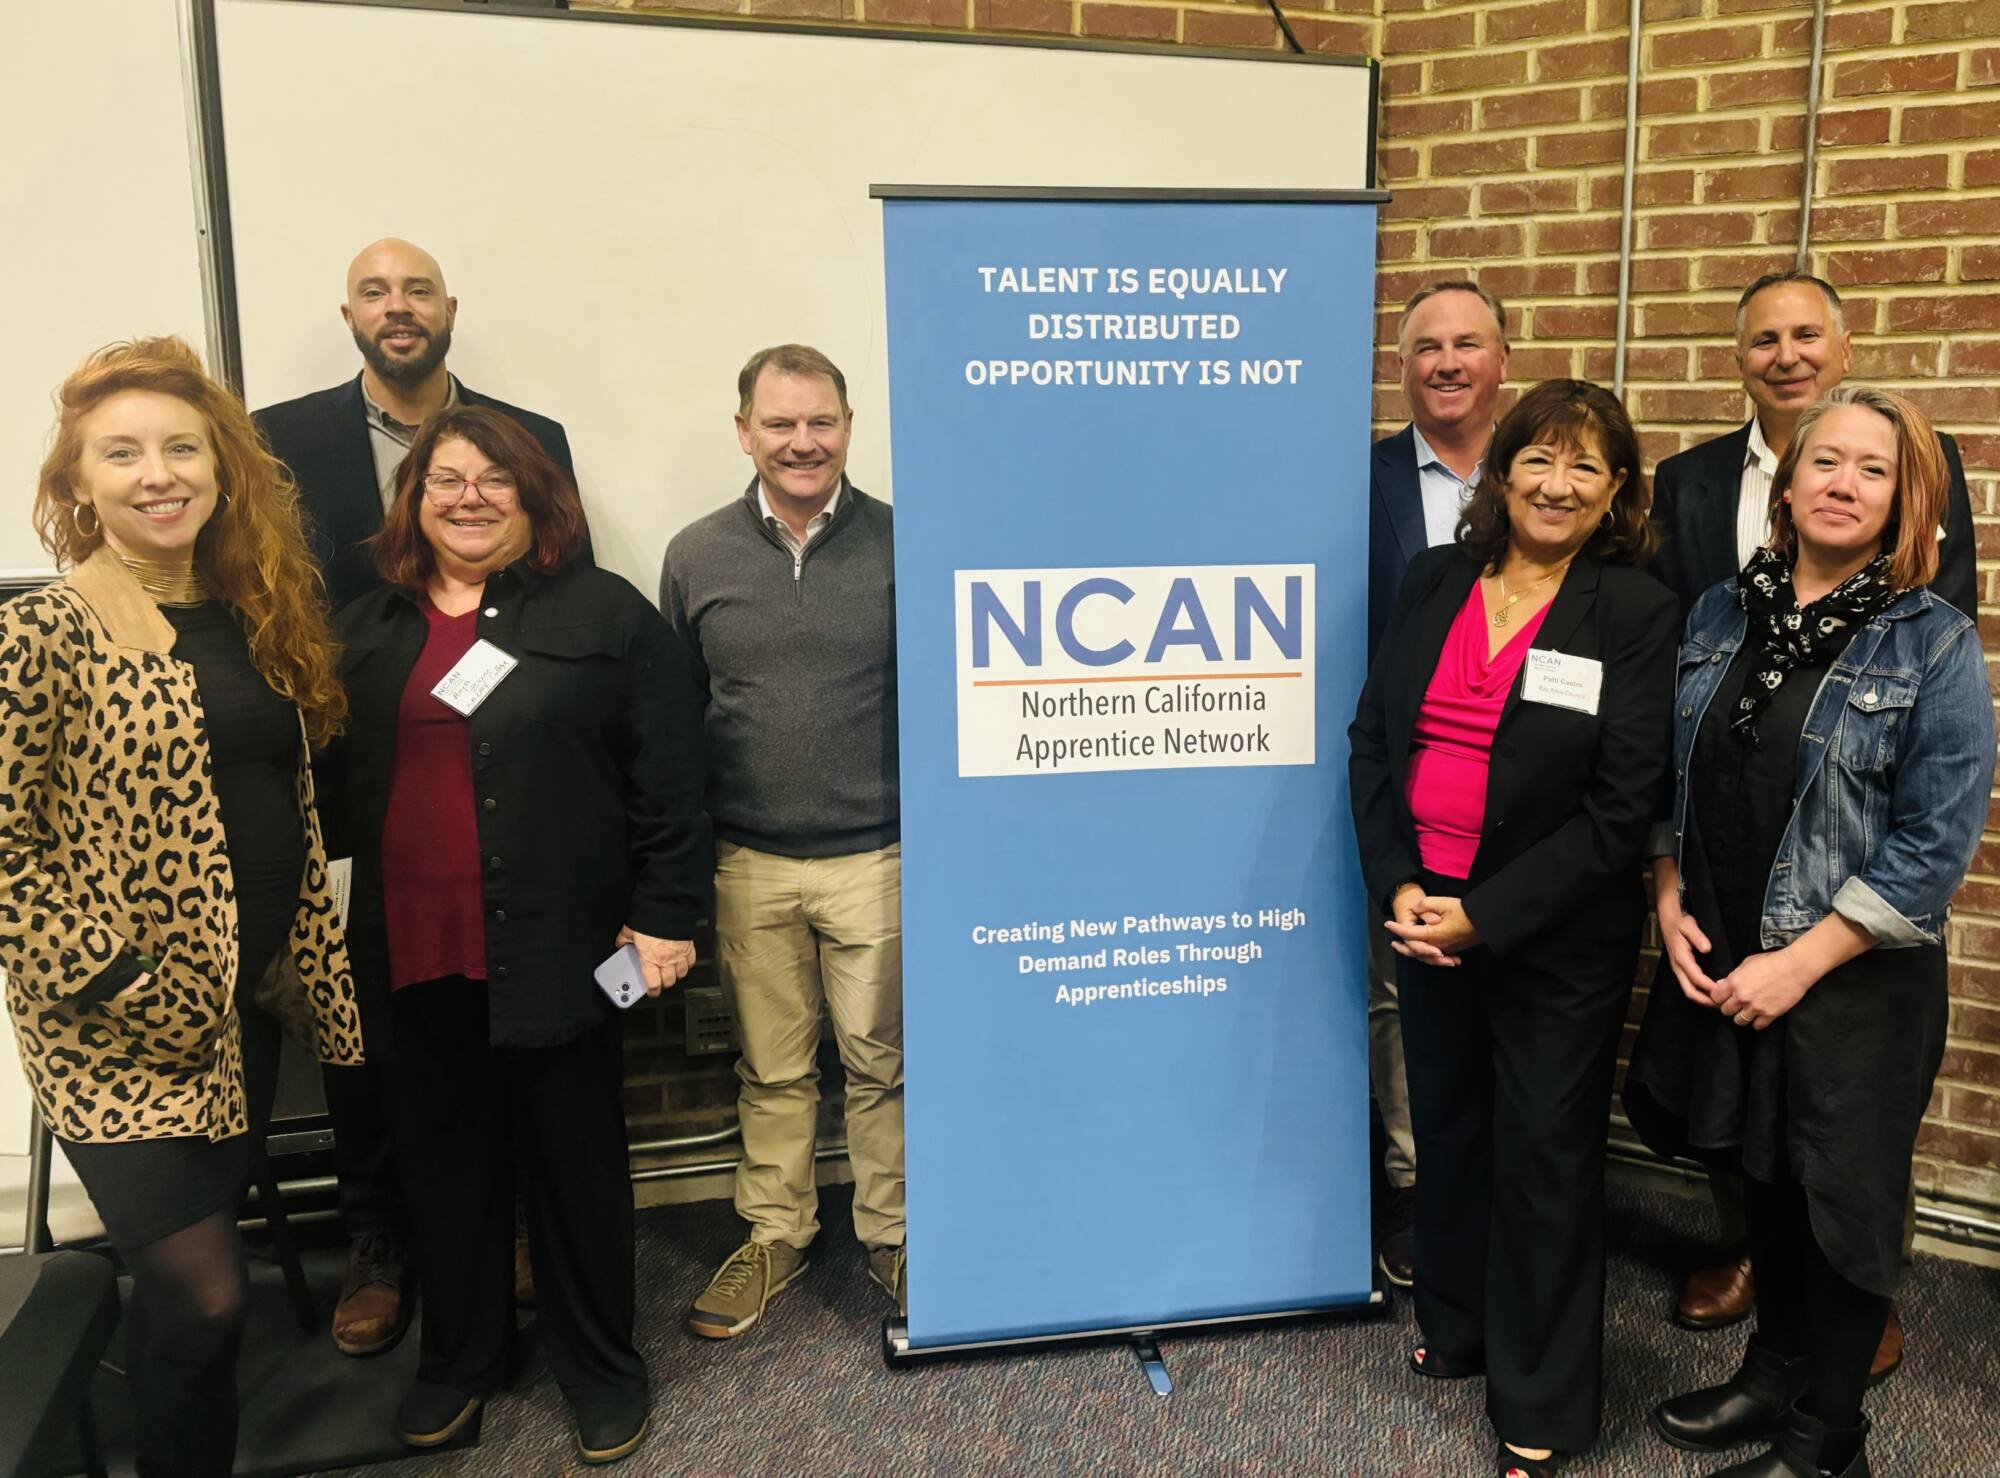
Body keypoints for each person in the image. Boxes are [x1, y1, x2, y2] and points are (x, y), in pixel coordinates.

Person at [0, 337, 363, 1477]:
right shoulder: (42, 632)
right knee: (207, 1296)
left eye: (181, 447)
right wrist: (125, 982)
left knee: (196, 1303)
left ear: (223, 468)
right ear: (78, 481)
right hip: (116, 1029)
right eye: (122, 453)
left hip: (240, 1008)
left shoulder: (255, 612)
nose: (157, 473)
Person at [319, 404, 708, 1464]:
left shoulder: (608, 614)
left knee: (575, 1164)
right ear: (414, 500)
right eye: (445, 478)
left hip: (567, 951)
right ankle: (460, 1357)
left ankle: (600, 1364)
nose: (469, 496)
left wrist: (667, 913)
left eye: (494, 477)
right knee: (443, 1166)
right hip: (409, 951)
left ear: (535, 495)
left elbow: (671, 777)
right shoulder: (364, 626)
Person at [1627, 387, 1993, 1478]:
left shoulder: (1930, 640)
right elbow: (1665, 771)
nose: (1839, 482)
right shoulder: (1713, 614)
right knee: (1762, 1177)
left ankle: (1831, 1435)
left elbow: (1934, 842)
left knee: (1840, 1202)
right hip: (1729, 950)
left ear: (1900, 498)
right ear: (1784, 485)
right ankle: (1772, 1373)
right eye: (1821, 460)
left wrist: (1797, 961)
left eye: (1868, 469)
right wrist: (1662, 888)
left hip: (1848, 976)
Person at [254, 236, 582, 1355]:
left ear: (450, 308)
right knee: (372, 1037)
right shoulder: (277, 440)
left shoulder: (526, 438)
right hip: (358, 775)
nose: (398, 309)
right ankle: (380, 1238)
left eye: (418, 290)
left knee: (507, 1025)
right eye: (375, 291)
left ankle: (520, 1230)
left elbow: (559, 582)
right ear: (346, 310)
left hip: (505, 783)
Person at [1349, 379, 1678, 1477]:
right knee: (1445, 1125)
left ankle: (1541, 1400)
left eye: (1585, 465)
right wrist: (1398, 881)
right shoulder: (1437, 576)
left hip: (1550, 938)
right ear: (1500, 470)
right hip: (1423, 913)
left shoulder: (1630, 608)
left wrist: (1481, 916)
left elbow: (1619, 806)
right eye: (1537, 457)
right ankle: (1457, 1323)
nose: (1555, 481)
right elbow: (1372, 742)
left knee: (1541, 1158)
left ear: (1615, 490)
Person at [660, 344, 905, 1339]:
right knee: (769, 1065)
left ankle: (895, 1233)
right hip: (747, 857)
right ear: (743, 431)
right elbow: (676, 715)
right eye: (779, 423)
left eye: (821, 421)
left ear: (847, 425)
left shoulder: (905, 540)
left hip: (876, 853)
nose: (802, 441)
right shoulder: (696, 553)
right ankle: (775, 1231)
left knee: (882, 1059)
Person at [1365, 277, 1511, 1287]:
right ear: (1401, 366)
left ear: (1501, 360)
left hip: (1532, 794)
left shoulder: (1546, 473)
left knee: (1524, 984)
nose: (1446, 362)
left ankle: (1518, 1188)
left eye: (1466, 344)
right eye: (1425, 347)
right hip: (1412, 791)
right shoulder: (1355, 479)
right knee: (1402, 986)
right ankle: (1421, 1184)